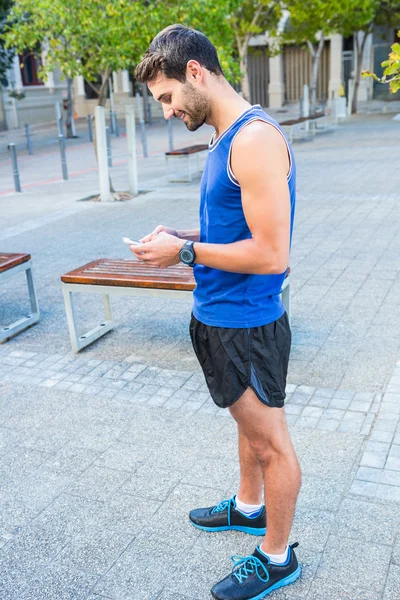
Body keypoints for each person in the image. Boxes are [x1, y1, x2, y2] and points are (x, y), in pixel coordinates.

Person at [133, 24, 302, 600]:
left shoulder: (253, 140)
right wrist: (187, 235)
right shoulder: (226, 136)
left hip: (247, 324)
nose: (168, 110)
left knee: (271, 442)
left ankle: (277, 558)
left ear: (196, 74)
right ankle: (249, 507)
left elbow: (272, 252)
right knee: (246, 425)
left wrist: (183, 251)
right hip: (221, 318)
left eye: (168, 97)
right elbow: (236, 230)